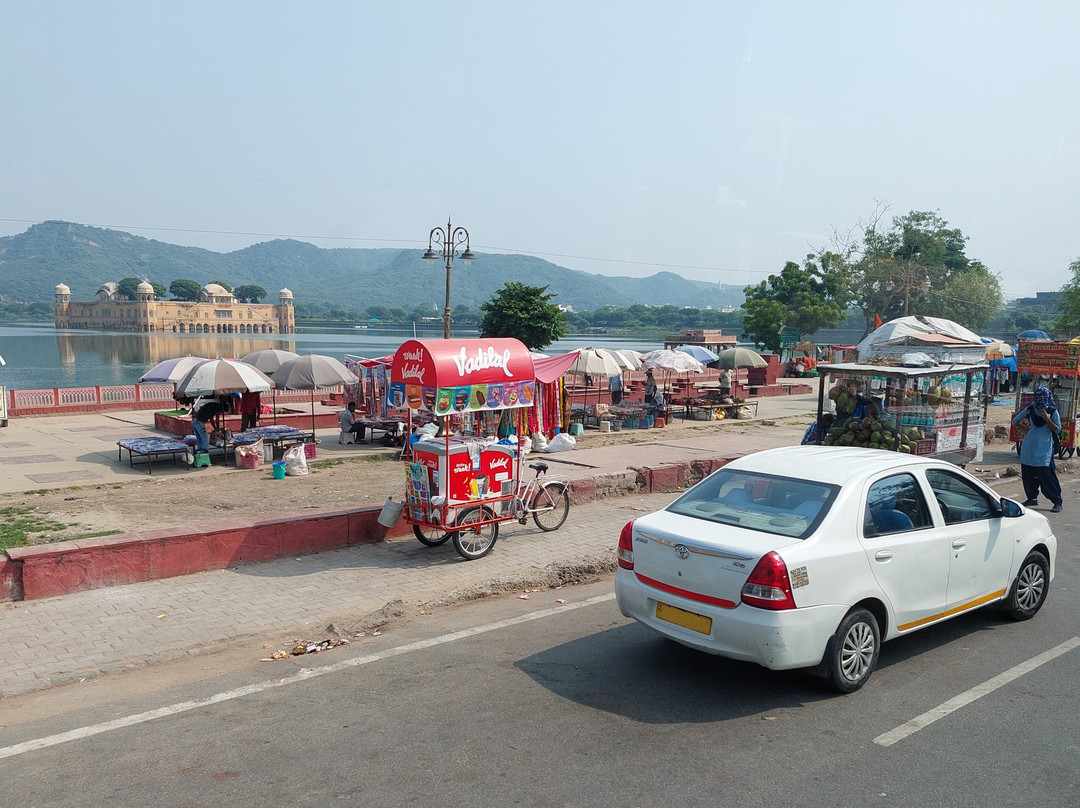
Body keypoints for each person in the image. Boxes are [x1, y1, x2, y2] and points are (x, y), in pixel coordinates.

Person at [1011, 386, 1063, 512]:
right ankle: (1032, 498)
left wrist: (1046, 418)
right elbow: (1015, 421)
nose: (1038, 399)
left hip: (1044, 448)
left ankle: (1057, 501)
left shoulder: (1052, 410)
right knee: (1028, 474)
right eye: (1037, 396)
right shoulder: (1030, 409)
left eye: (1041, 396)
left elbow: (1058, 429)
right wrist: (1026, 430)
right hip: (1029, 446)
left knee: (1047, 476)